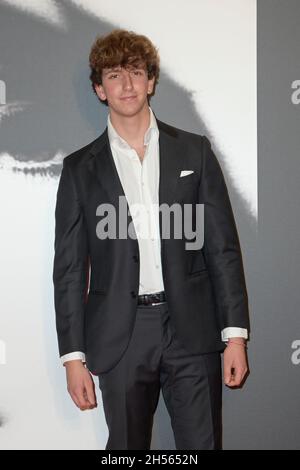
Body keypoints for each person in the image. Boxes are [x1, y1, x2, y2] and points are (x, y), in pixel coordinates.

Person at [53, 29, 250, 450]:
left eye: (136, 72)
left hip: (192, 329)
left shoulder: (194, 152)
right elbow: (69, 271)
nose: (127, 84)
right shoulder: (78, 170)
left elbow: (223, 249)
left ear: (151, 81)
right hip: (120, 335)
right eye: (114, 75)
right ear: (99, 89)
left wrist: (235, 336)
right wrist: (73, 359)